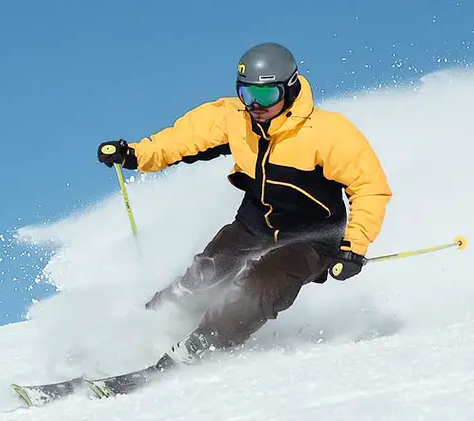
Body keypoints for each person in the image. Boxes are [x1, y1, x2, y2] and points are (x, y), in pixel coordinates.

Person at [97, 42, 392, 366]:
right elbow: (182, 139)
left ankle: (198, 348)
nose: (255, 105)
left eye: (265, 96)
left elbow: (370, 187)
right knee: (204, 275)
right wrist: (137, 154)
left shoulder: (328, 133)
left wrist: (354, 247)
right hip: (256, 224)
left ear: (289, 88)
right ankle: (142, 330)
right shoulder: (236, 119)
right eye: (246, 94)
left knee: (258, 287)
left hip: (312, 238)